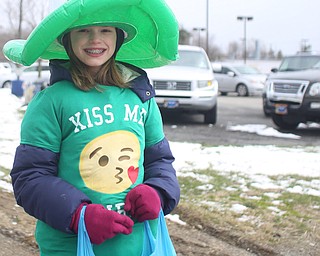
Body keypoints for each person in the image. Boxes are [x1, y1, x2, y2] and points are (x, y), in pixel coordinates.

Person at [6, 0, 180, 255]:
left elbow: (160, 161)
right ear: (67, 39)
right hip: (72, 247)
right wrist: (78, 215)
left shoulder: (141, 97)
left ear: (119, 38)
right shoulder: (51, 102)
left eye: (106, 30)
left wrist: (158, 192)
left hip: (139, 244)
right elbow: (30, 177)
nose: (95, 39)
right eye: (84, 30)